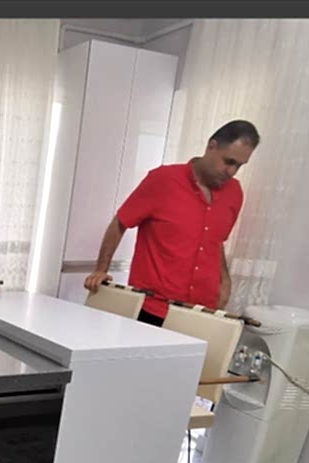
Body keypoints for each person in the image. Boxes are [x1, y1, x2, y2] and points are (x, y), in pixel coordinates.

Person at [84, 120, 260, 325]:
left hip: (201, 311)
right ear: (211, 146)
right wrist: (101, 269)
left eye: (239, 165)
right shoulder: (163, 180)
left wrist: (225, 280)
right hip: (152, 308)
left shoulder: (234, 193)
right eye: (229, 161)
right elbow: (120, 222)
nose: (232, 171)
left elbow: (215, 242)